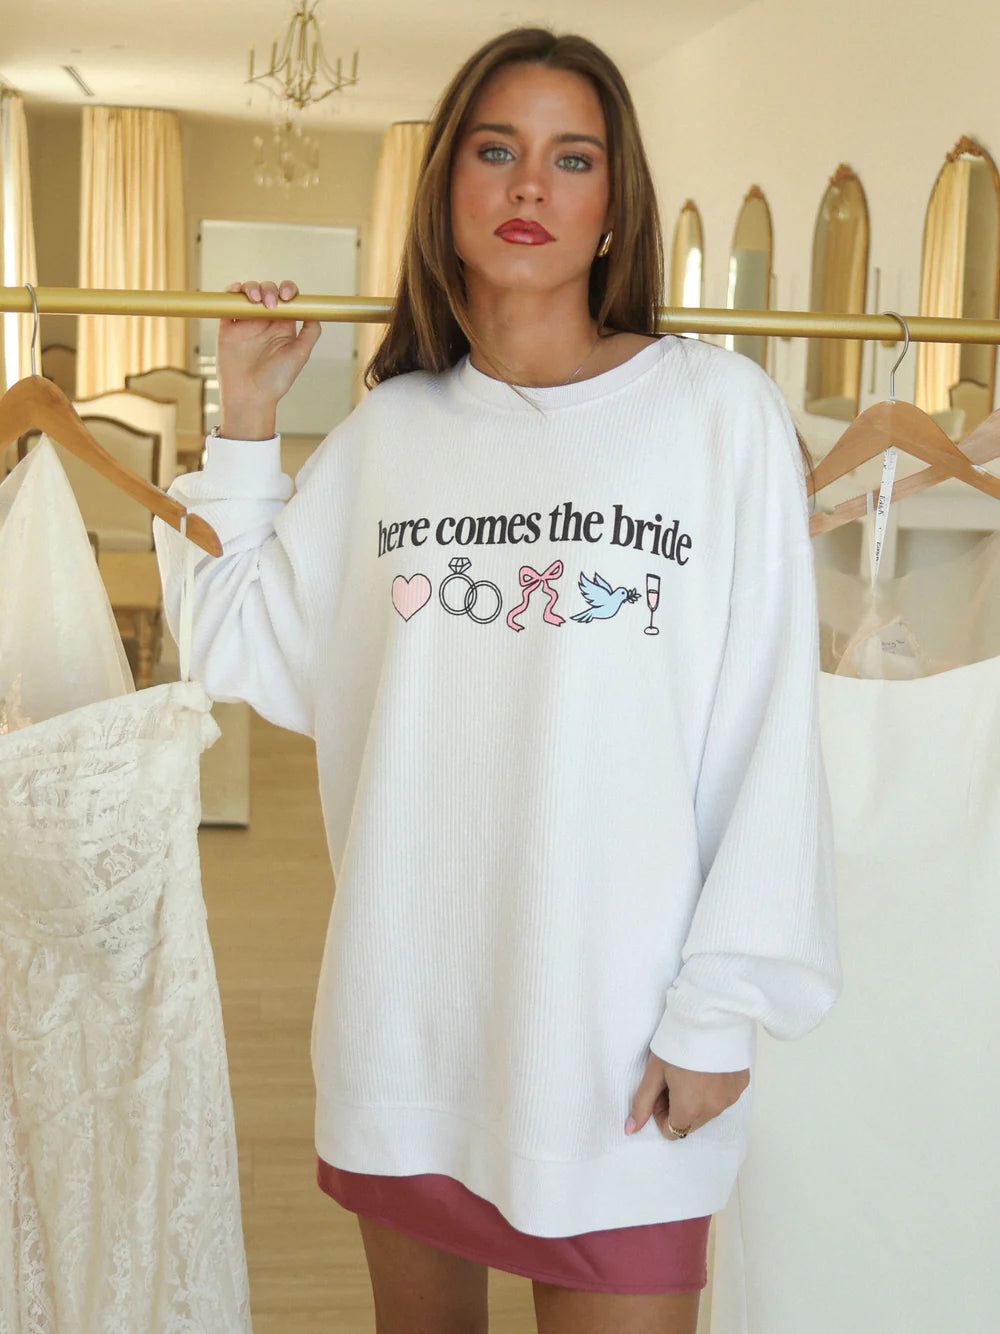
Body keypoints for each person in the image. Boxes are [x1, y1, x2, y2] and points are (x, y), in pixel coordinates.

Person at [155, 26, 840, 1334]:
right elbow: (245, 643)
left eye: (572, 158)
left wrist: (721, 1008)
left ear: (613, 202)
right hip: (408, 1022)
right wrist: (244, 423)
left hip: (618, 1036)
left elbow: (768, 732)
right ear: (448, 188)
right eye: (495, 150)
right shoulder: (394, 432)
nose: (531, 185)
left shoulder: (717, 414)